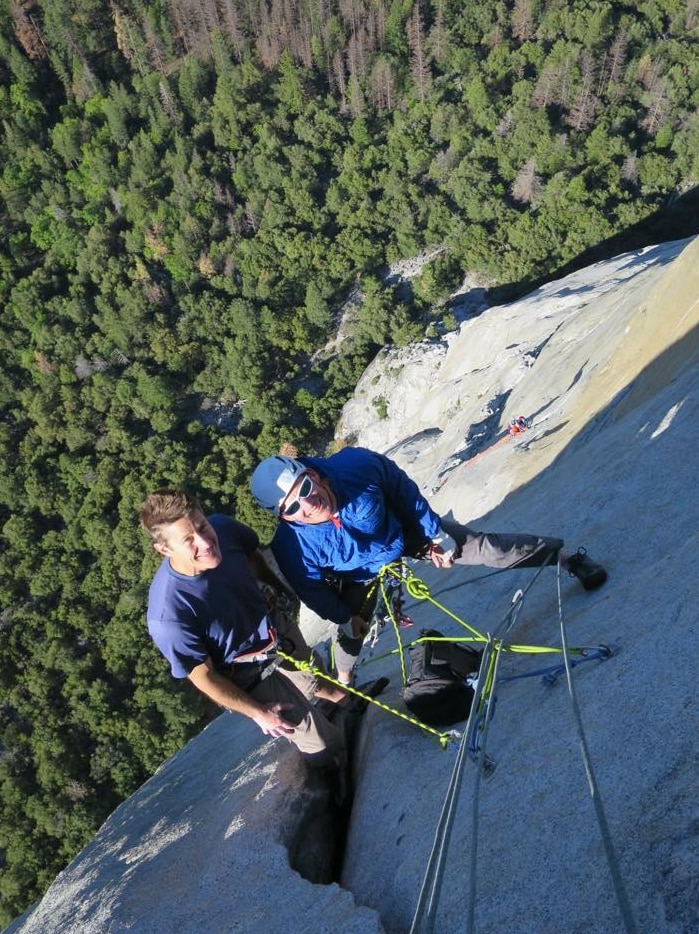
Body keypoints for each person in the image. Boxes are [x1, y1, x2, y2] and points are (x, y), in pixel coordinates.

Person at [250, 448, 607, 686]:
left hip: (403, 532)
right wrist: (343, 614)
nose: (308, 504)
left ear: (313, 473)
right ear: (282, 516)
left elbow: (402, 491)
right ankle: (345, 687)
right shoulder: (291, 547)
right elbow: (311, 588)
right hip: (359, 572)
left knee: (487, 548)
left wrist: (436, 535)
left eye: (307, 488)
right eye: (293, 507)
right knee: (350, 633)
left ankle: (568, 558)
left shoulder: (356, 467)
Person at [139, 488, 347, 770]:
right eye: (188, 540)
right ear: (164, 549)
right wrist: (258, 713)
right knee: (322, 743)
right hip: (245, 672)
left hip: (273, 629)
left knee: (320, 682)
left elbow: (251, 555)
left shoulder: (224, 529)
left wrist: (272, 589)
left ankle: (343, 706)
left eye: (202, 526)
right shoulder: (169, 615)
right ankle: (337, 781)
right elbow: (204, 677)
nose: (205, 542)